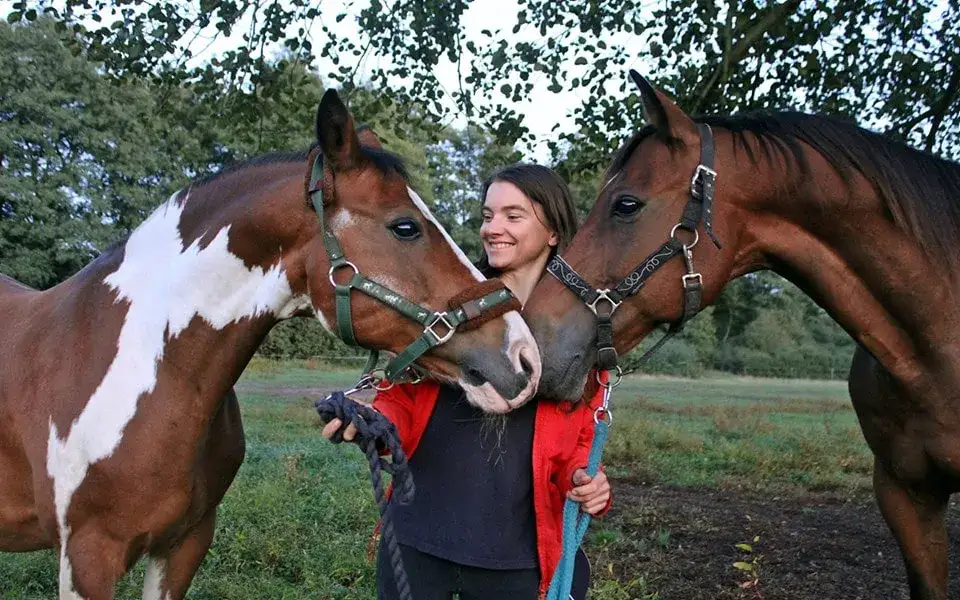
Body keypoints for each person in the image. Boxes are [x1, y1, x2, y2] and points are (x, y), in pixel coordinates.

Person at [323, 163, 612, 600]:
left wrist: (586, 479)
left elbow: (580, 438)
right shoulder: (448, 303)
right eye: (487, 215)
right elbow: (401, 394)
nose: (493, 228)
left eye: (513, 216)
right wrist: (372, 418)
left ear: (553, 231)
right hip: (418, 541)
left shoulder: (578, 333)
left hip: (517, 560)